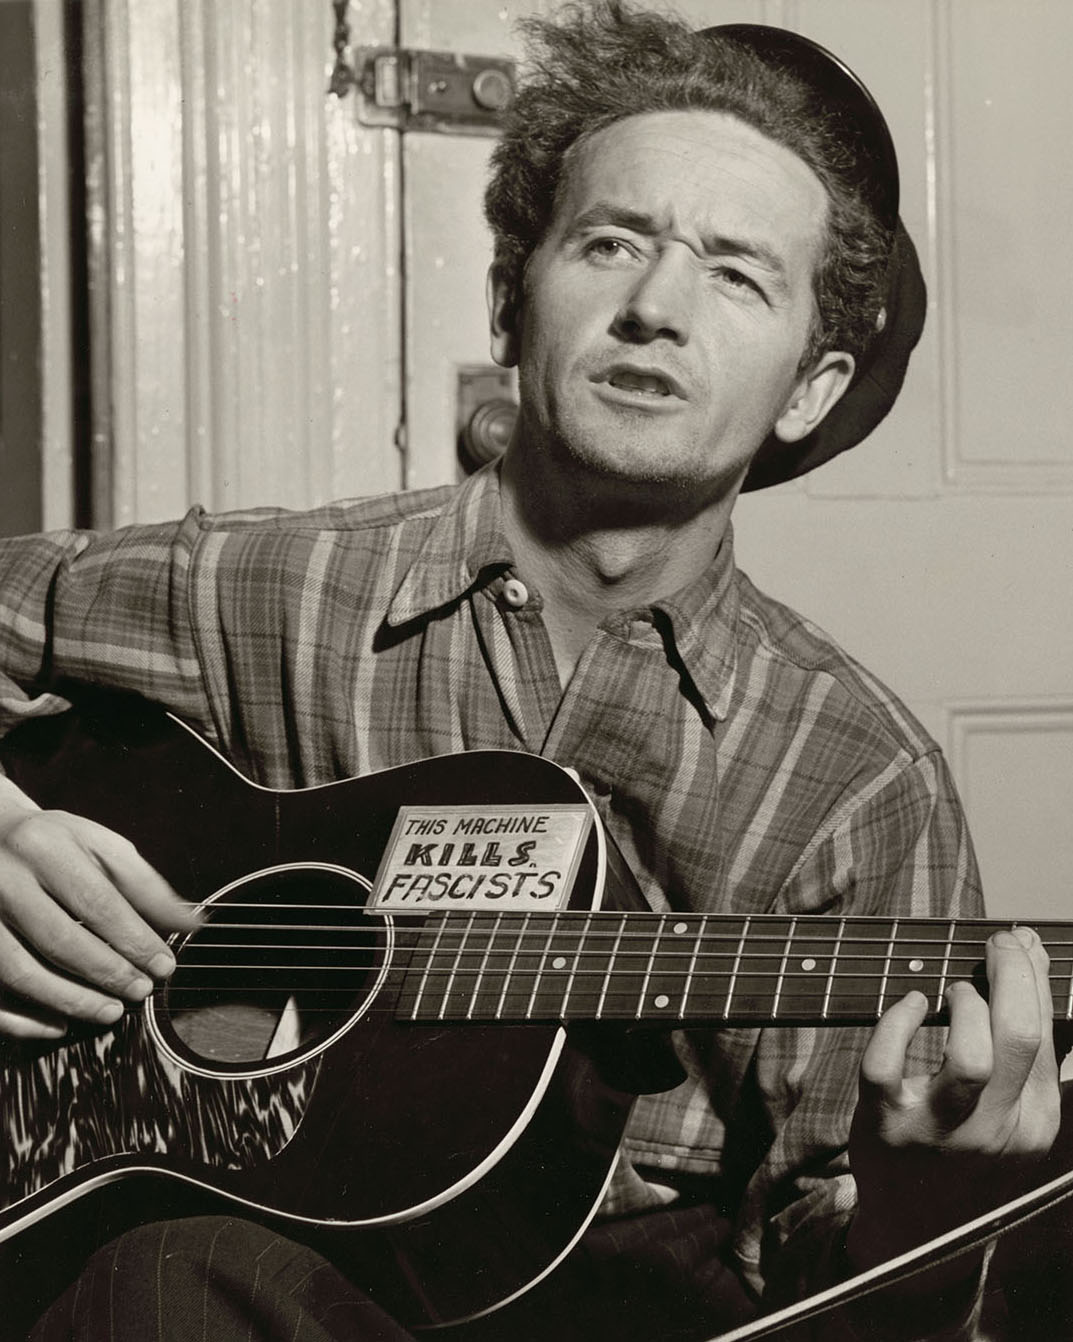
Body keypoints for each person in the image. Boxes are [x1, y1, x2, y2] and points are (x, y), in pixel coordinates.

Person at [0, 3, 1063, 1339]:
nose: (654, 308)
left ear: (807, 384)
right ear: (515, 294)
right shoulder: (269, 587)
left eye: (736, 273)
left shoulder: (858, 775)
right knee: (164, 1277)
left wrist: (917, 1196)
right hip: (232, 1272)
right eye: (610, 241)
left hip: (623, 1305)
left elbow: (838, 1281)